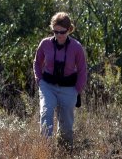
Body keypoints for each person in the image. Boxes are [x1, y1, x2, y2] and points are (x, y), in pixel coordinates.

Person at [33, 12, 87, 150]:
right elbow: (37, 63)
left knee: (66, 124)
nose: (59, 35)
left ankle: (65, 150)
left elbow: (82, 70)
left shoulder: (76, 47)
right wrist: (39, 80)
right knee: (46, 112)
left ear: (69, 30)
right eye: (55, 32)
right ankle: (45, 150)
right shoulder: (45, 44)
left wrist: (77, 89)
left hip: (69, 88)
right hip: (48, 86)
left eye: (62, 32)